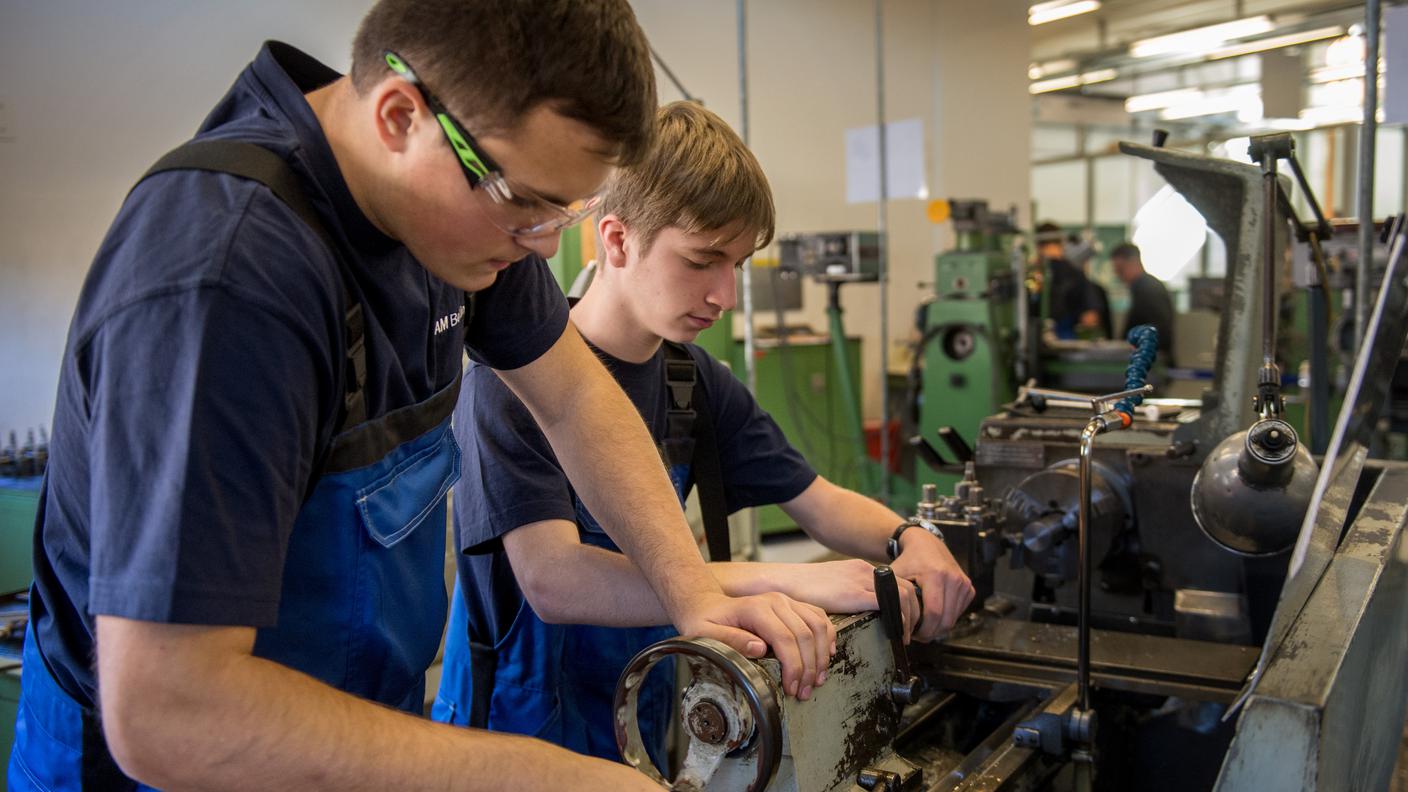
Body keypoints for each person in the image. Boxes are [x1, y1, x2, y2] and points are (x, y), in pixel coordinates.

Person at [9, 3, 835, 790]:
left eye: (566, 209)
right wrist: (541, 777)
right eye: (527, 205)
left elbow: (578, 402)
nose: (546, 244)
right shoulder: (226, 283)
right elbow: (168, 712)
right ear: (402, 115)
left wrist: (691, 592)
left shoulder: (465, 224)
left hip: (351, 734)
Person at [432, 101, 976, 765]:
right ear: (616, 240)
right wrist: (780, 585)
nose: (724, 294)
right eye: (702, 259)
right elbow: (555, 581)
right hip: (510, 734)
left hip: (638, 712)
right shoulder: (510, 381)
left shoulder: (692, 381)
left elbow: (817, 498)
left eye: (738, 266)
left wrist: (909, 538)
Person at [1110, 242, 1175, 363]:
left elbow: (1159, 329)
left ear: (1133, 263)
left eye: (1120, 269)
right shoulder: (1142, 287)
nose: (1117, 275)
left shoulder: (1148, 289)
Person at [1036, 222, 1101, 339]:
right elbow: (1090, 318)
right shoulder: (1076, 274)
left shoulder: (1032, 274)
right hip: (1065, 345)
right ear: (1061, 243)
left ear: (1037, 245)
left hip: (1036, 341)